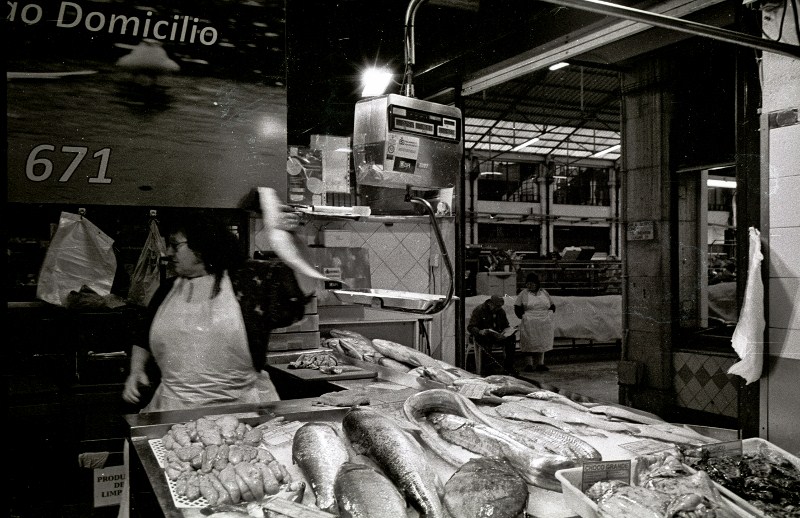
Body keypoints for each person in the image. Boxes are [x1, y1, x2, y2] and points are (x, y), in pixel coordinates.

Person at [122, 211, 308, 412]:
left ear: (202, 246)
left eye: (175, 245)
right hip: (174, 410)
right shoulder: (167, 290)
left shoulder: (247, 285)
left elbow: (302, 290)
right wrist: (136, 370)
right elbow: (142, 336)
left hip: (243, 409)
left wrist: (293, 239)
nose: (168, 252)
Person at [514, 272, 555, 372]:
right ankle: (529, 364)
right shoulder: (523, 293)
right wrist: (522, 316)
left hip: (544, 322)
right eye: (528, 284)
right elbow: (517, 307)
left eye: (531, 284)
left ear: (536, 284)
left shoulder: (544, 292)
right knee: (529, 342)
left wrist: (550, 314)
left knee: (542, 342)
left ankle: (540, 364)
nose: (529, 286)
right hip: (529, 322)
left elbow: (552, 305)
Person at [468, 294, 517, 376]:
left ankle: (508, 367)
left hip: (496, 335)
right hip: (483, 336)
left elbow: (505, 325)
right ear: (490, 303)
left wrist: (507, 332)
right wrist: (480, 331)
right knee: (485, 340)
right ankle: (487, 368)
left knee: (511, 339)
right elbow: (471, 327)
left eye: (500, 306)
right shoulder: (479, 310)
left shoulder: (500, 311)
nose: (498, 308)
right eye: (497, 306)